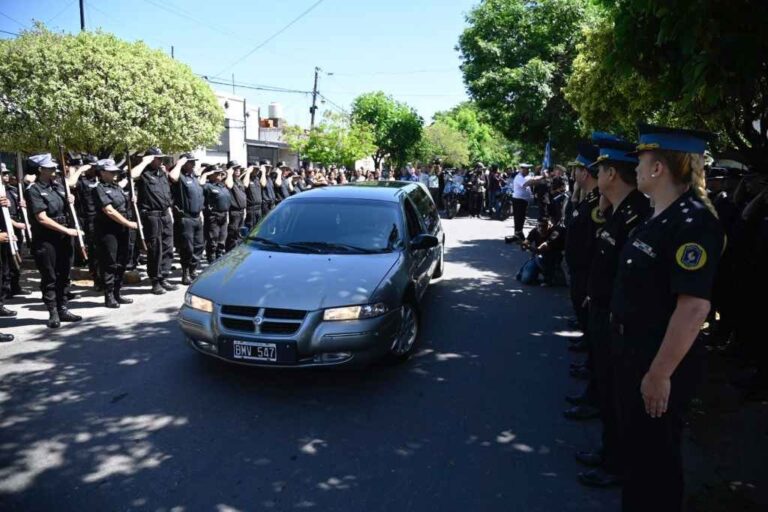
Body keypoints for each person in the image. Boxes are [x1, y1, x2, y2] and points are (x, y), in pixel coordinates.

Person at [610, 124, 723, 512]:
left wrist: (659, 375)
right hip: (634, 351)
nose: (635, 167)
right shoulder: (658, 215)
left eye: (641, 160)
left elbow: (693, 308)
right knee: (638, 458)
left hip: (657, 359)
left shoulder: (693, 223)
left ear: (658, 168)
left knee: (655, 463)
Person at [575, 135, 651, 489]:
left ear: (612, 175)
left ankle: (617, 462)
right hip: (603, 310)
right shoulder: (618, 210)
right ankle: (609, 452)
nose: (595, 173)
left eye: (601, 169)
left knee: (616, 396)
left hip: (617, 319)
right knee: (607, 391)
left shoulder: (637, 214)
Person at [26, 154, 83, 328]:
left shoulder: (58, 186)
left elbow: (66, 208)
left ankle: (63, 307)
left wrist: (70, 200)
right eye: (49, 168)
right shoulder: (33, 189)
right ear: (40, 169)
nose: (53, 170)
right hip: (46, 239)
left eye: (53, 168)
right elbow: (42, 218)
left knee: (64, 274)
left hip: (63, 237)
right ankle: (53, 311)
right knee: (49, 276)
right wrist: (67, 230)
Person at [93, 159, 138, 308]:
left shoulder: (117, 187)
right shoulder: (98, 188)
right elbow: (109, 210)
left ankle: (118, 293)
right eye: (111, 171)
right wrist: (128, 223)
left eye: (115, 171)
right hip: (108, 230)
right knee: (109, 263)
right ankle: (109, 295)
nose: (114, 174)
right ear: (102, 172)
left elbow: (123, 206)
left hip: (122, 229)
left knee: (122, 261)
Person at [132, 148, 178, 295]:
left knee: (167, 247)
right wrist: (144, 161)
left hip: (165, 214)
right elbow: (131, 175)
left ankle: (164, 276)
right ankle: (155, 281)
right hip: (152, 216)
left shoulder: (162, 173)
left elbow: (171, 186)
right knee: (155, 249)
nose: (161, 161)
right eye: (157, 158)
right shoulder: (143, 173)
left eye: (161, 158)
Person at [169, 154, 205, 286]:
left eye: (193, 162)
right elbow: (172, 177)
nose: (193, 165)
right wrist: (179, 163)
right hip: (186, 218)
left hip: (197, 217)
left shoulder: (193, 177)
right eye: (190, 162)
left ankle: (193, 269)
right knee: (187, 248)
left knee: (199, 245)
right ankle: (185, 272)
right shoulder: (180, 177)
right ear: (184, 163)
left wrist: (201, 213)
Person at [516, 216, 565, 285]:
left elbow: (541, 248)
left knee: (540, 257)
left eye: (544, 226)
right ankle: (526, 270)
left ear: (550, 225)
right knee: (525, 279)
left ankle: (550, 276)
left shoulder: (555, 232)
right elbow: (527, 241)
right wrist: (523, 244)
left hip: (552, 260)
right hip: (538, 259)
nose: (541, 228)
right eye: (539, 226)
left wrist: (528, 246)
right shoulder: (535, 230)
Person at [202, 166, 231, 263]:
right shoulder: (207, 186)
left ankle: (219, 259)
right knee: (212, 241)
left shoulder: (222, 186)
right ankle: (211, 260)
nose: (220, 175)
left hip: (224, 215)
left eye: (220, 173)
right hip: (213, 216)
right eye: (217, 173)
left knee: (222, 239)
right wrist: (205, 174)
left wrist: (226, 174)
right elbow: (200, 184)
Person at [511, 164, 544, 239]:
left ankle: (519, 233)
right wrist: (542, 177)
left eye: (528, 169)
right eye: (526, 169)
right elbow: (528, 183)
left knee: (522, 217)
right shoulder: (519, 177)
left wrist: (540, 177)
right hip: (518, 200)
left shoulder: (526, 176)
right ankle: (517, 234)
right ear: (522, 169)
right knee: (519, 218)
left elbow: (534, 179)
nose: (528, 170)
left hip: (523, 201)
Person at [225, 161, 247, 251]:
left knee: (239, 234)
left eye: (238, 168)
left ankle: (237, 251)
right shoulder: (228, 179)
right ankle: (230, 252)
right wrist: (229, 173)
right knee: (232, 235)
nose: (238, 170)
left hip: (241, 211)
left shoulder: (239, 181)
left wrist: (244, 210)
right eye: (235, 168)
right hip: (234, 212)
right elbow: (229, 185)